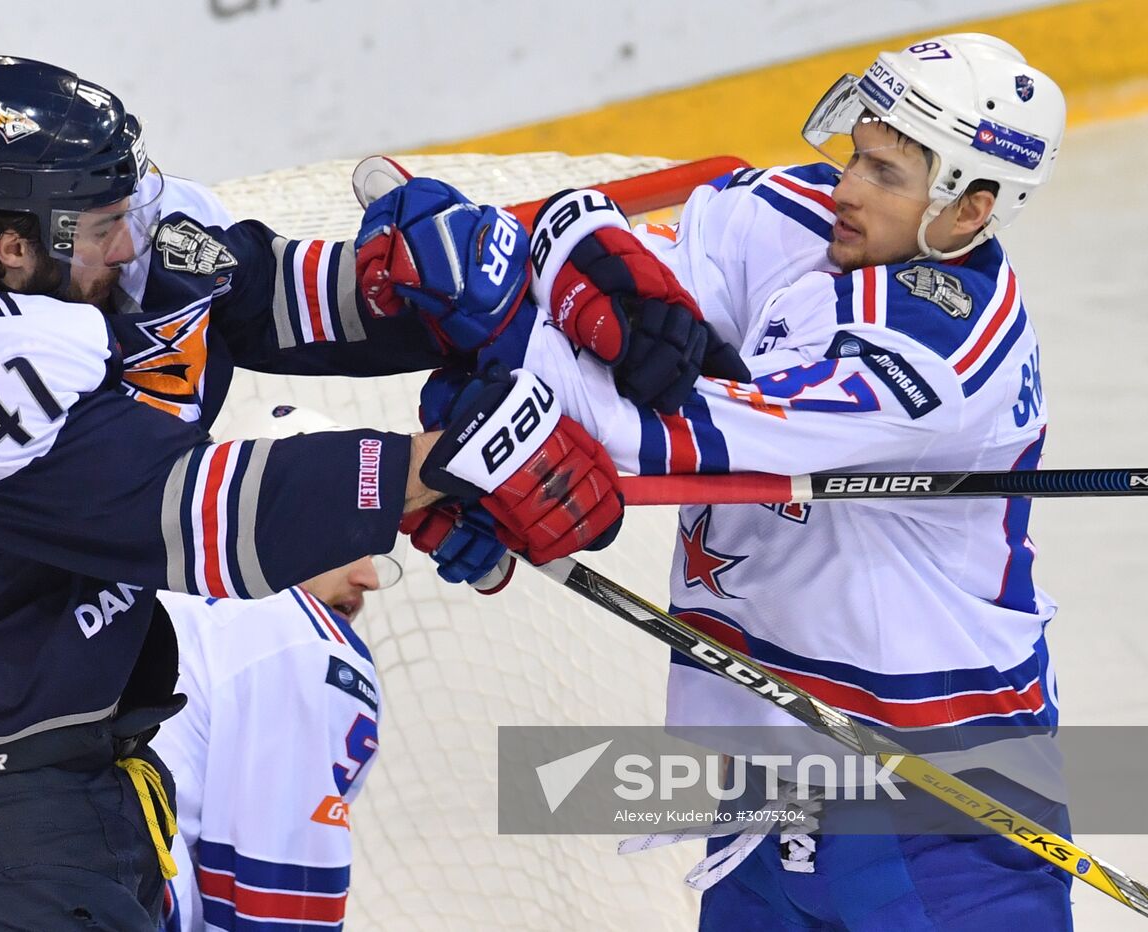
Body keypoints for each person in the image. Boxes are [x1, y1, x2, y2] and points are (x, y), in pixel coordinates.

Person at [0, 55, 628, 929]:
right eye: (103, 227)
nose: (130, 242)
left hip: (89, 767)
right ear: (15, 243)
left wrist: (406, 291)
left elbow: (254, 292)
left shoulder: (101, 240)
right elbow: (193, 511)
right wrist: (429, 467)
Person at [388, 33, 1073, 929]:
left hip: (940, 800)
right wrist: (564, 262)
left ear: (972, 208)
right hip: (769, 782)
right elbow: (620, 288)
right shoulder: (786, 215)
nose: (849, 188)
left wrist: (487, 420)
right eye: (858, 153)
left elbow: (674, 438)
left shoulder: (940, 359)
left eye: (888, 175)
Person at [151, 406, 390, 932]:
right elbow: (275, 907)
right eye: (355, 536)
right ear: (279, 515)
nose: (370, 576)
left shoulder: (147, 590)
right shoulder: (300, 639)